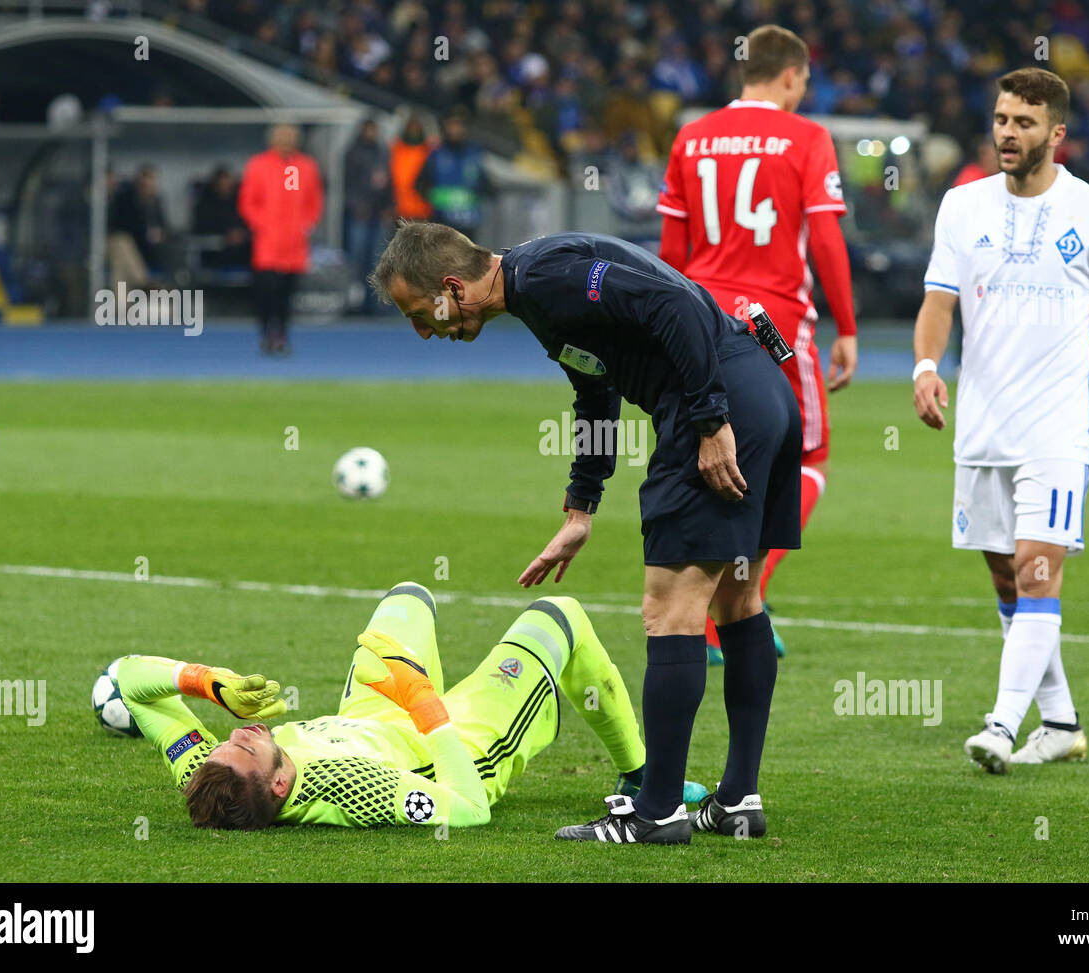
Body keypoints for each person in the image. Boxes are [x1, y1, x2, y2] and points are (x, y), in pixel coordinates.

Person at [371, 222, 802, 844]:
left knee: (669, 610)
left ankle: (656, 813)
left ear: (450, 287)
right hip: (762, 394)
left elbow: (674, 302)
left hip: (720, 404)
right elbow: (595, 388)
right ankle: (737, 801)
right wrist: (582, 506)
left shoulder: (547, 277)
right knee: (738, 600)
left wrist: (709, 419)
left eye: (421, 313)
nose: (422, 330)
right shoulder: (536, 289)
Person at [912, 67, 1089, 774]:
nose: (1009, 132)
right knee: (1009, 580)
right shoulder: (962, 206)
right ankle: (1061, 721)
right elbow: (939, 302)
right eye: (1003, 119)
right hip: (981, 426)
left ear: (1057, 134)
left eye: (1025, 123)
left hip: (1059, 428)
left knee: (1037, 572)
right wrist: (924, 369)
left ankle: (1002, 724)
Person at [119, 583, 654, 829]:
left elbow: (129, 679)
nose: (239, 734)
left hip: (372, 712)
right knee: (559, 614)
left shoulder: (207, 771)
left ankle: (417, 683)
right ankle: (639, 774)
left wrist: (205, 682)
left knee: (407, 597)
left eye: (228, 743)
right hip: (455, 742)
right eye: (247, 749)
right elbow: (468, 809)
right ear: (280, 785)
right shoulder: (355, 790)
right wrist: (421, 700)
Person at [657, 24, 857, 665]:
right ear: (793, 76)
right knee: (807, 459)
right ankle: (738, 607)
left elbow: (669, 254)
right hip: (771, 323)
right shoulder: (807, 137)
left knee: (717, 455)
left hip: (702, 319)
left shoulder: (692, 137)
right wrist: (847, 328)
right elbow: (825, 239)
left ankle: (701, 607)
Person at [238, 124, 323, 355]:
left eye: (291, 138)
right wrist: (261, 224)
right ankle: (266, 331)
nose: (286, 143)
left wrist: (306, 223)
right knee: (266, 290)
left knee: (287, 291)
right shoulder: (258, 165)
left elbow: (313, 200)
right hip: (268, 242)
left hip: (294, 242)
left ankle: (282, 333)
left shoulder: (305, 166)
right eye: (282, 138)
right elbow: (248, 201)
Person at [417, 106, 491, 239]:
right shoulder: (436, 154)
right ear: (444, 127)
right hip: (442, 225)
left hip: (469, 225)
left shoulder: (475, 153)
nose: (455, 129)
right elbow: (419, 184)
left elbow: (486, 185)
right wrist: (433, 199)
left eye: (459, 125)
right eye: (451, 125)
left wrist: (480, 193)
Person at [343, 118, 392, 308]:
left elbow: (389, 182)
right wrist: (356, 205)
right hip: (359, 213)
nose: (371, 133)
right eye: (368, 130)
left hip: (379, 213)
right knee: (357, 256)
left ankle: (375, 301)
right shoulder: (353, 153)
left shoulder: (382, 153)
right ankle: (354, 299)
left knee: (377, 258)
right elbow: (348, 184)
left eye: (374, 130)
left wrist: (389, 206)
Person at [192, 165, 250, 270]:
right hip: (217, 251)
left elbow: (248, 223)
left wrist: (242, 235)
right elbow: (200, 229)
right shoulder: (204, 205)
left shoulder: (240, 203)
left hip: (242, 249)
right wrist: (225, 236)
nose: (225, 185)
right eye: (222, 182)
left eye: (228, 181)